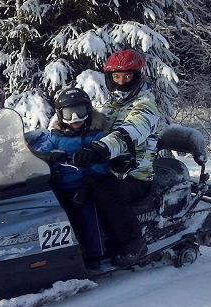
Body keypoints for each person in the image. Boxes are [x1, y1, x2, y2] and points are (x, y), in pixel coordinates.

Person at [72, 49, 162, 266]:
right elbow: (89, 123)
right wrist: (57, 134)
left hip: (135, 174)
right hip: (111, 169)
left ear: (137, 77)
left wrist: (99, 148)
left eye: (127, 76)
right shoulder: (112, 105)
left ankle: (134, 243)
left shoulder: (145, 106)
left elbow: (129, 132)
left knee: (105, 191)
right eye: (116, 76)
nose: (121, 82)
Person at [30, 87, 109, 269]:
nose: (75, 119)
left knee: (86, 213)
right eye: (69, 114)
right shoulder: (56, 136)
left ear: (88, 111)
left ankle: (94, 253)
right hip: (57, 184)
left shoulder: (95, 135)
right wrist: (45, 157)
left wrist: (88, 183)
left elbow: (102, 162)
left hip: (83, 185)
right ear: (60, 115)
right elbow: (41, 151)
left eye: (79, 112)